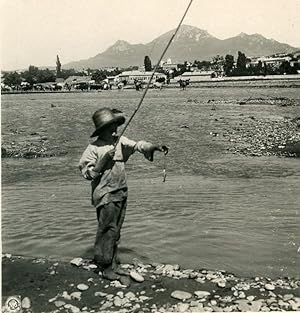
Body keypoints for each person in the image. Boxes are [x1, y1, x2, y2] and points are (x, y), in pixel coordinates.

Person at [79, 107, 167, 281]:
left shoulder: (119, 141)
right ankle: (105, 267)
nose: (115, 129)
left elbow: (137, 146)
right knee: (107, 229)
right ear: (102, 129)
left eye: (115, 125)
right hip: (105, 193)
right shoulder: (93, 148)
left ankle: (113, 264)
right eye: (111, 126)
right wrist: (103, 161)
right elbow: (88, 174)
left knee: (116, 230)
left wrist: (154, 147)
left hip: (121, 190)